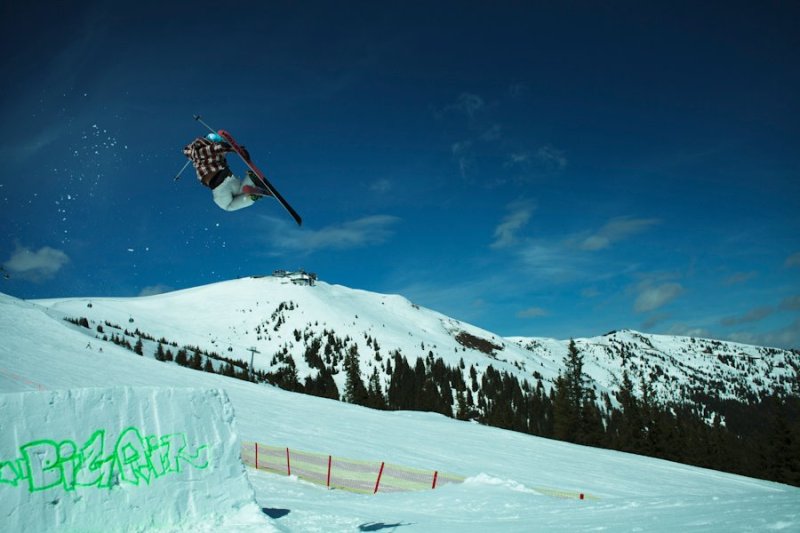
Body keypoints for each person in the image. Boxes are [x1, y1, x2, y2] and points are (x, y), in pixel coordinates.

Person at [182, 133, 269, 211]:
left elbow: (214, 148)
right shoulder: (206, 153)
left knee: (227, 206)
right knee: (240, 193)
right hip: (228, 178)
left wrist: (231, 148)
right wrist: (235, 149)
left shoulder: (198, 151)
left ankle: (252, 193)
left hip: (218, 184)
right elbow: (218, 148)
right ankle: (251, 180)